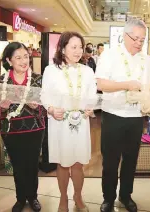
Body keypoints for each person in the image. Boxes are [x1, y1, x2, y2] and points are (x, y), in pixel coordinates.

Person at [96, 18, 150, 212]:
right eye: (135, 38)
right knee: (111, 161)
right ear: (124, 35)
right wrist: (126, 84)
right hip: (113, 115)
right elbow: (101, 84)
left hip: (136, 117)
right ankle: (108, 198)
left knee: (131, 160)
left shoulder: (147, 61)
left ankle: (125, 196)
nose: (139, 43)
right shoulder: (109, 55)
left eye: (142, 39)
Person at [40, 31, 97, 212]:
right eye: (73, 47)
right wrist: (50, 109)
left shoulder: (87, 71)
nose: (78, 51)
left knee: (78, 164)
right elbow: (44, 96)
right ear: (62, 48)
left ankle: (77, 196)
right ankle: (63, 198)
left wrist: (91, 107)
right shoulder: (51, 70)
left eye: (80, 47)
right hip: (60, 122)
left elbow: (92, 95)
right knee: (63, 164)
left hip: (81, 121)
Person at [0, 42, 46, 212]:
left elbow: (49, 107)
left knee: (32, 164)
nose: (23, 61)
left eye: (26, 56)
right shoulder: (0, 82)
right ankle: (21, 198)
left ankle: (33, 197)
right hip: (11, 131)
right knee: (18, 166)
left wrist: (38, 108)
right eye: (18, 57)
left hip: (35, 129)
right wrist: (2, 108)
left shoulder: (38, 79)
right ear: (9, 60)